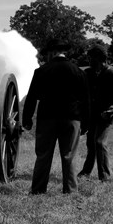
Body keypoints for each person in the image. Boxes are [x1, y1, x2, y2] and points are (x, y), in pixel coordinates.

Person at [23, 40, 89, 194]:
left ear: (51, 53)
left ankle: (38, 190)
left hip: (47, 117)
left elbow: (32, 97)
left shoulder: (41, 71)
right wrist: (86, 122)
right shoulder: (78, 71)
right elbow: (86, 100)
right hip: (72, 118)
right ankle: (71, 190)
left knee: (43, 156)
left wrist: (27, 120)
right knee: (69, 156)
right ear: (63, 52)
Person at [78, 45, 113, 182]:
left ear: (102, 59)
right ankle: (86, 172)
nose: (90, 62)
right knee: (91, 144)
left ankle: (104, 176)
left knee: (99, 142)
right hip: (92, 115)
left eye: (93, 59)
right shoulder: (88, 74)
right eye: (89, 58)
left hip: (106, 115)